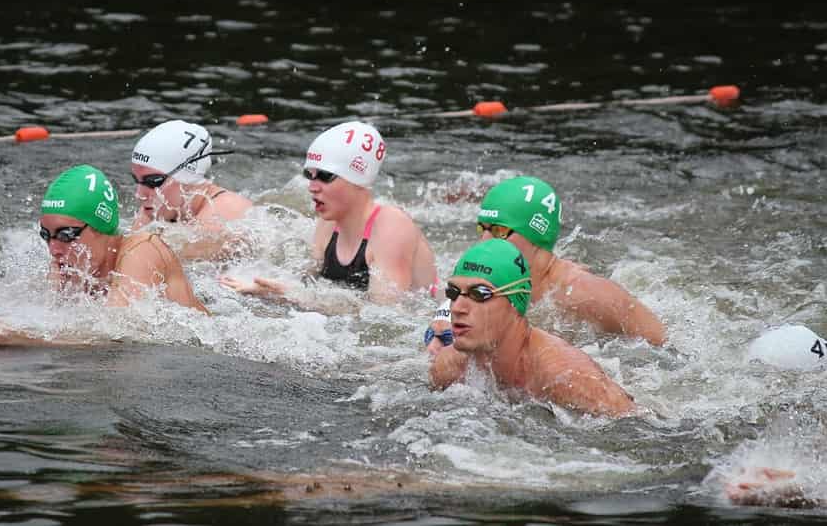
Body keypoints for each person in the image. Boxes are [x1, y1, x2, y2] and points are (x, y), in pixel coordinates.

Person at [0, 164, 207, 352]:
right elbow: (42, 317)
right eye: (46, 235)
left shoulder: (143, 250)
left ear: (102, 228)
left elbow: (118, 337)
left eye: (66, 234)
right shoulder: (72, 262)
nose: (54, 249)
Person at [425, 176, 665, 354]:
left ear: (537, 235)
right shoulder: (480, 274)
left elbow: (665, 349)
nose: (484, 241)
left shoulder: (584, 295)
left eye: (498, 231)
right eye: (482, 228)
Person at [220, 121, 437, 305]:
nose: (312, 186)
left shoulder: (391, 227)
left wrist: (298, 297)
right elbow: (307, 282)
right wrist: (263, 287)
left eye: (324, 176)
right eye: (309, 175)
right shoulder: (329, 222)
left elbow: (385, 316)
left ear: (357, 178)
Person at [429, 239, 637, 418]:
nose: (457, 307)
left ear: (514, 302)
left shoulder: (566, 378)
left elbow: (640, 429)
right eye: (454, 292)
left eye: (480, 294)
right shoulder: (449, 368)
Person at [131, 120, 253, 260]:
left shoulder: (224, 212)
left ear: (187, 178)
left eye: (153, 181)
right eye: (136, 180)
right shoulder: (155, 208)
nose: (139, 194)